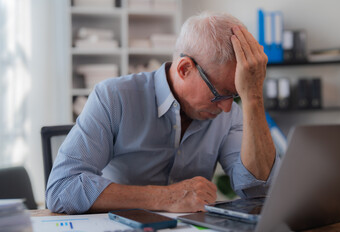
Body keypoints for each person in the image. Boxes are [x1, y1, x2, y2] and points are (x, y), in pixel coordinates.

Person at [46, 11, 278, 214]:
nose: (227, 107)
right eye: (220, 94)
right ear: (185, 68)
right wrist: (165, 197)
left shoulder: (231, 112)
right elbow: (62, 188)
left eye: (235, 95)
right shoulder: (113, 97)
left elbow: (257, 190)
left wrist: (253, 97)